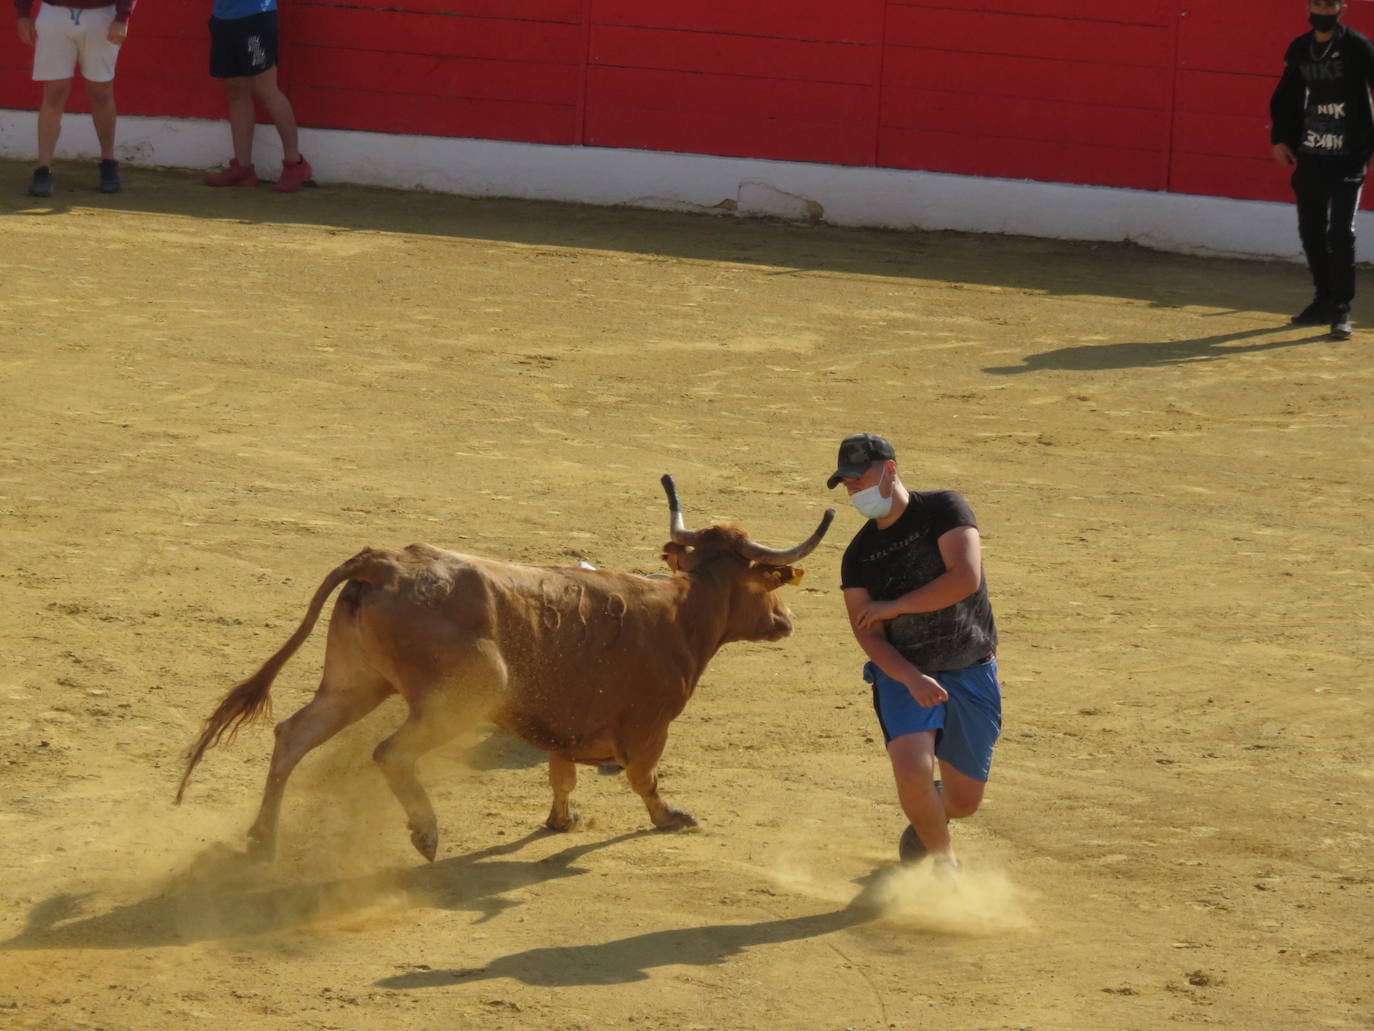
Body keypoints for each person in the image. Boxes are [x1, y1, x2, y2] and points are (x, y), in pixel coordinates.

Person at [828, 433, 1001, 871]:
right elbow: (868, 633)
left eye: (859, 477)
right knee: (911, 770)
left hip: (970, 667)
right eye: (847, 483)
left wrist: (896, 605)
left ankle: (929, 819)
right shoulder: (859, 555)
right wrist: (909, 677)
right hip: (903, 672)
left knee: (963, 802)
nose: (853, 489)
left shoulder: (944, 508)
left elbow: (965, 578)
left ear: (890, 469)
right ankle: (945, 866)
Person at [1270, 0, 1374, 340]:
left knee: (1340, 232)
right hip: (1311, 153)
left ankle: (1341, 309)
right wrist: (1280, 139)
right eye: (1318, 4)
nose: (1323, 11)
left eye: (1330, 4)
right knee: (1311, 230)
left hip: (1348, 155)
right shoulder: (1300, 48)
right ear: (1307, 8)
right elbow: (1286, 96)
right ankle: (1323, 300)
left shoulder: (1357, 47)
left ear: (1341, 7)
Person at [14, 0, 131, 197]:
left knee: (101, 90)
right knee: (54, 91)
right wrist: (23, 12)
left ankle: (108, 161)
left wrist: (122, 17)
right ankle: (43, 168)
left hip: (101, 14)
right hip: (54, 13)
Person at [202, 0, 312, 192]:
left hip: (254, 19)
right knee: (235, 89)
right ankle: (243, 168)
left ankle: (295, 164)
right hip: (223, 18)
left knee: (266, 88)